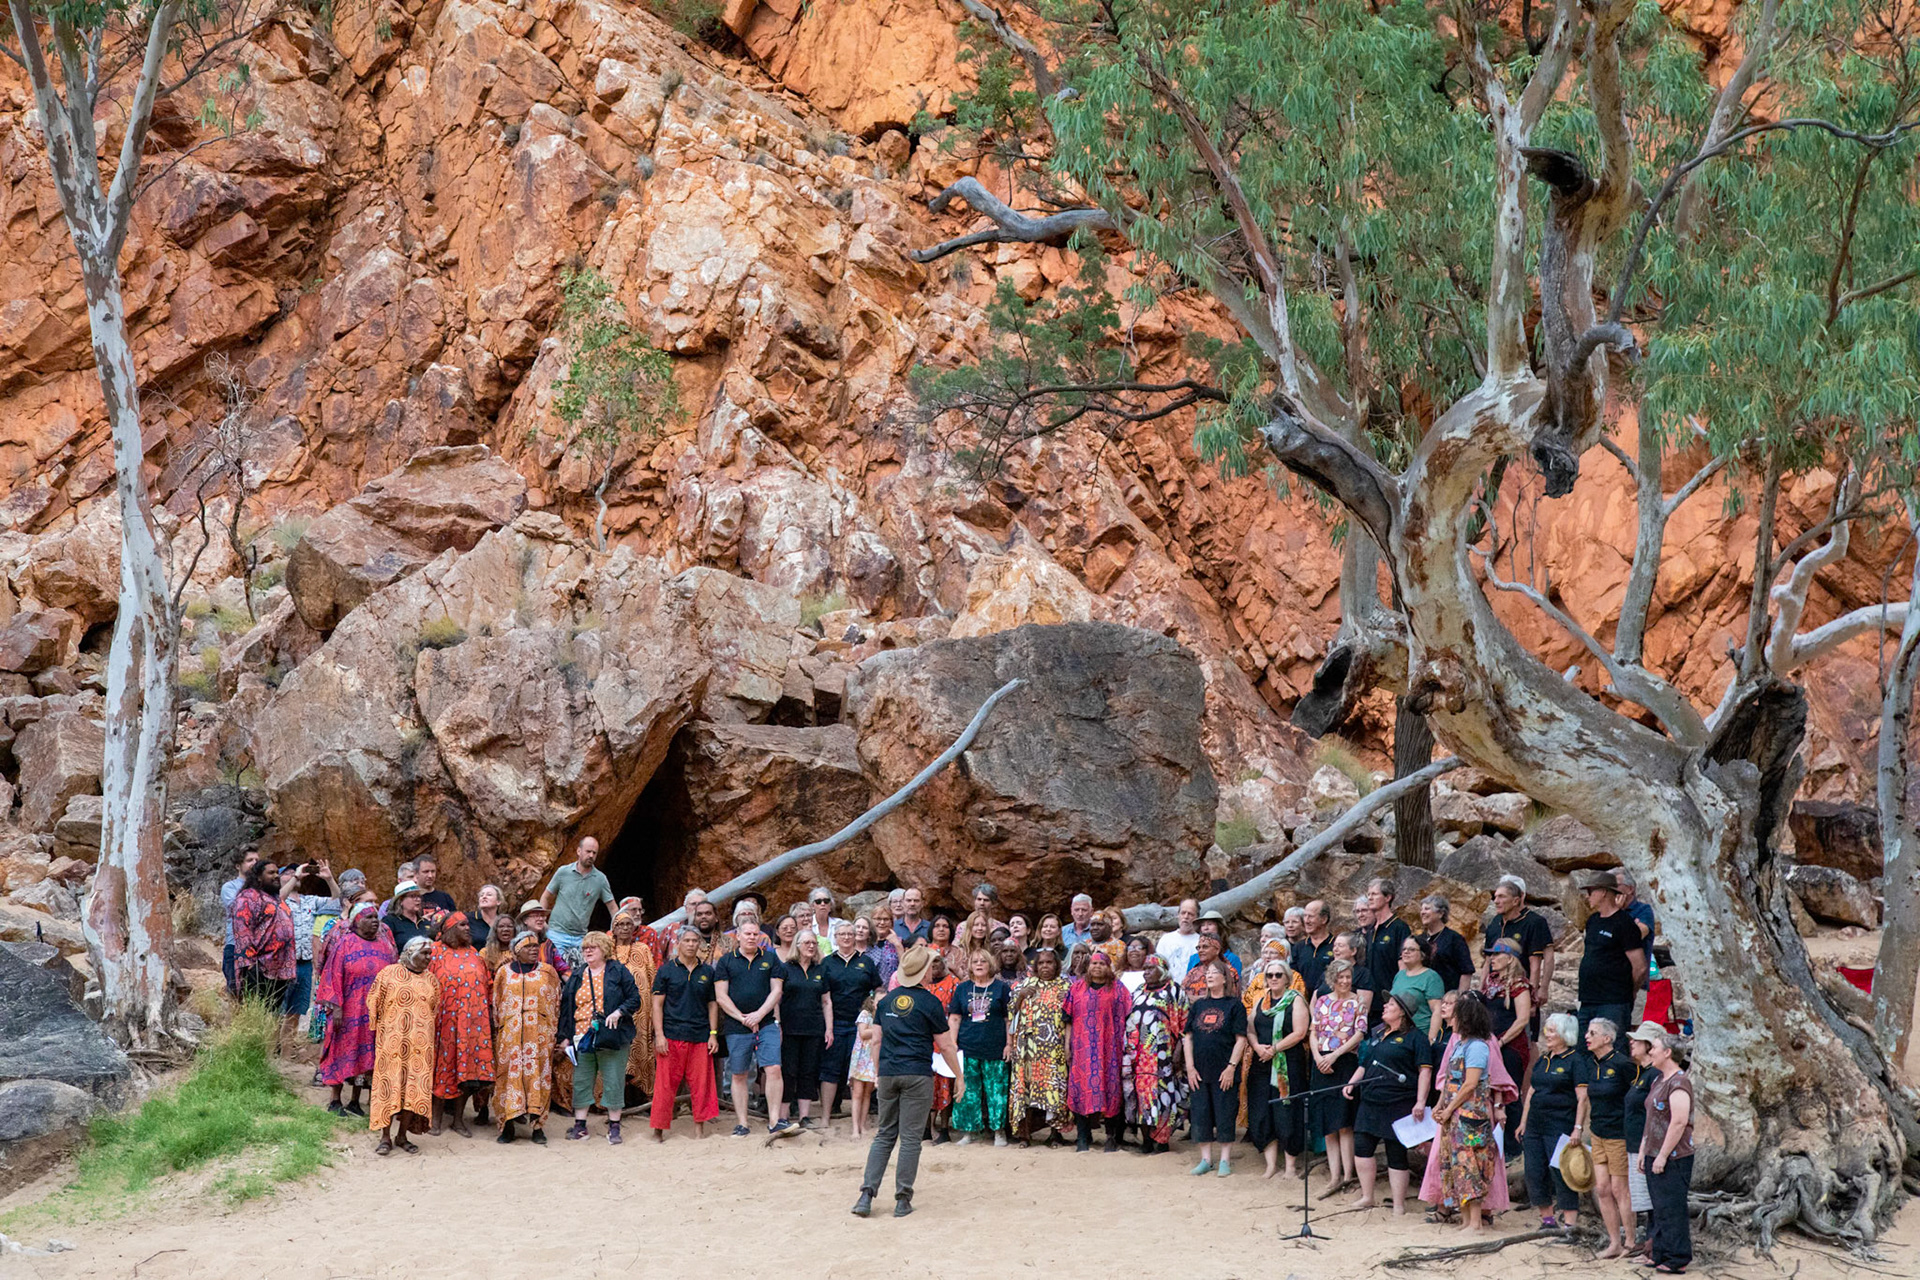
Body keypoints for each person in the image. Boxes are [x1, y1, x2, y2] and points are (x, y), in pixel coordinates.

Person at [852, 944, 964, 1219]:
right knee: (911, 1138)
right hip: (917, 1073)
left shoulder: (887, 1001)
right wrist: (959, 1076)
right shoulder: (930, 1002)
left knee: (884, 1134)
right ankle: (902, 1199)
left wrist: (879, 1073)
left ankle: (866, 1194)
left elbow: (876, 1040)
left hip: (889, 1071)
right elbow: (946, 1045)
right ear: (925, 972)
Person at [1343, 992, 1433, 1215]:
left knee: (1396, 1153)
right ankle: (1367, 1196)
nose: (1384, 1006)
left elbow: (1424, 1071)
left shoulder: (1416, 1038)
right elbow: (1365, 1064)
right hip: (1370, 1101)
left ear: (1402, 1012)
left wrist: (1420, 1101)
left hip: (1399, 1102)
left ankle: (1399, 1204)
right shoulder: (1378, 1033)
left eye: (1391, 1004)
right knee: (1362, 1147)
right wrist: (1352, 1083)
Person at [1427, 994, 1504, 1231]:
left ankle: (1475, 1222)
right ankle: (1464, 1219)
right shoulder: (1459, 1045)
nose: (1450, 1018)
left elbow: (1470, 1084)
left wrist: (1449, 1108)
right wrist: (1440, 1105)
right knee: (1454, 1164)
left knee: (1471, 1164)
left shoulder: (1479, 1046)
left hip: (1470, 1117)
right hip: (1454, 1115)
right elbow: (1450, 1079)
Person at [558, 930, 643, 1144]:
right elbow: (567, 1008)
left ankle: (614, 1126)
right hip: (583, 1036)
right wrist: (565, 1036)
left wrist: (619, 1011)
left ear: (603, 950)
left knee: (613, 1080)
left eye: (592, 948)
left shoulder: (618, 971)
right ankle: (580, 1125)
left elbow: (635, 998)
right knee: (582, 1080)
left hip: (613, 1035)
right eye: (585, 948)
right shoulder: (578, 975)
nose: (587, 951)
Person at [714, 921, 794, 1138]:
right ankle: (742, 1123)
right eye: (747, 934)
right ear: (737, 936)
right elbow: (721, 996)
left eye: (755, 934)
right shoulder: (726, 961)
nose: (751, 937)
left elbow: (776, 991)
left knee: (773, 1068)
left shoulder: (770, 958)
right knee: (739, 1073)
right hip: (736, 1026)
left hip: (767, 1023)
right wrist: (743, 1018)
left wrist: (759, 1014)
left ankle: (775, 1121)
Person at [316, 902, 395, 1115]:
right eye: (369, 917)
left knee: (367, 1056)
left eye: (376, 917)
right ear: (357, 921)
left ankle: (355, 1100)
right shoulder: (345, 943)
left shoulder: (384, 945)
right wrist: (336, 1008)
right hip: (348, 1010)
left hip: (374, 1013)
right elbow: (331, 976)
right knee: (342, 1052)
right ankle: (334, 1100)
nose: (374, 921)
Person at [368, 936, 439, 1154]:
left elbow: (434, 1009)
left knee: (414, 1089)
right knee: (389, 1088)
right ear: (409, 952)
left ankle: (402, 1136)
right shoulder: (388, 974)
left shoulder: (432, 981)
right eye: (424, 953)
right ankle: (385, 1137)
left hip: (421, 1046)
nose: (429, 958)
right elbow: (373, 1002)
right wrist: (383, 1031)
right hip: (392, 1044)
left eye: (430, 954)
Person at [649, 925, 720, 1141]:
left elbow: (713, 1005)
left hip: (700, 1035)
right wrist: (659, 1035)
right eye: (687, 940)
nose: (691, 944)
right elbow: (657, 1005)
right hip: (671, 1036)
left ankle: (699, 1130)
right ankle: (658, 1130)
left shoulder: (708, 972)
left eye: (695, 941)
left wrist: (713, 1034)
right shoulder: (666, 970)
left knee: (702, 1086)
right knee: (665, 1086)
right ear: (678, 943)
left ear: (700, 944)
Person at [427, 914, 494, 1137]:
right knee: (442, 1069)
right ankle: (435, 1119)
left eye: (468, 924)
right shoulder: (434, 951)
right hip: (443, 1024)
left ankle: (458, 1120)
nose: (468, 928)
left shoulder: (475, 954)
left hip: (473, 1026)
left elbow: (489, 985)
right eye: (462, 925)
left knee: (467, 1073)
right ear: (448, 929)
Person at [1579, 1018, 1639, 1257]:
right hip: (1597, 1132)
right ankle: (1614, 1242)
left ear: (1607, 1039)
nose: (1587, 1036)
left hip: (1618, 1134)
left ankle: (1631, 1241)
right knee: (1602, 1189)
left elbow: (1637, 1097)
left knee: (1619, 1188)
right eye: (1587, 1032)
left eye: (1592, 1033)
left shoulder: (1623, 1064)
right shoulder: (1591, 1064)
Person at [493, 930, 560, 1144]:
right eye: (528, 947)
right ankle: (508, 1126)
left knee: (539, 1079)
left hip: (539, 1037)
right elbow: (496, 1002)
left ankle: (538, 1126)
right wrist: (502, 1029)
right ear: (516, 951)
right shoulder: (504, 973)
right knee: (508, 1079)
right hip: (510, 1037)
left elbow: (557, 1002)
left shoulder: (548, 972)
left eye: (535, 946)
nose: (533, 950)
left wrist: (552, 1032)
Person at [1518, 1011, 1583, 1229]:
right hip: (1536, 1124)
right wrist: (1524, 1122)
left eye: (1552, 1030)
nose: (1547, 1034)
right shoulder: (1544, 1059)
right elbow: (1531, 1092)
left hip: (1560, 1124)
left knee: (1561, 1171)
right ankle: (1547, 1219)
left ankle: (1570, 1223)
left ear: (1565, 1034)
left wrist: (1578, 1128)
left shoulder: (1575, 1061)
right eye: (1546, 1030)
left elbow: (1582, 1099)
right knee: (1534, 1171)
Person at [1064, 948, 1132, 1152]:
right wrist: (1067, 1046)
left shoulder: (1119, 990)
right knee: (1080, 1090)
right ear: (1088, 966)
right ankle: (1083, 1137)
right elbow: (1067, 1019)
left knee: (1111, 1090)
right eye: (1094, 963)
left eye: (1102, 963)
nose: (1097, 966)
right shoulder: (1076, 989)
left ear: (1109, 967)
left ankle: (1111, 1137)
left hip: (1110, 1049)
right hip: (1082, 1049)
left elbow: (1129, 1018)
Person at [1248, 955, 1310, 1179]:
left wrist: (1274, 1049)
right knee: (1262, 1112)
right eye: (1269, 975)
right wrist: (1257, 1047)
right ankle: (1271, 1165)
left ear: (1287, 978)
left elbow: (1300, 1032)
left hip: (1287, 1065)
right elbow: (1250, 1029)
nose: (1273, 979)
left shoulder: (1295, 1000)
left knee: (1287, 1112)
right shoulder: (1261, 1001)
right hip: (1261, 1064)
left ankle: (1291, 1166)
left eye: (1278, 975)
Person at [1184, 957, 1247, 1176]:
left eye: (1214, 972)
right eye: (1207, 973)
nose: (1209, 975)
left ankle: (1225, 1160)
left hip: (1224, 1070)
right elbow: (1188, 1037)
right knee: (1201, 1114)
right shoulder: (1199, 1005)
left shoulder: (1235, 1005)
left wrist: (1231, 1067)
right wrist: (1189, 1067)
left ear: (1224, 977)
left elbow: (1241, 1039)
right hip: (1199, 1070)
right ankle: (1206, 1159)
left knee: (1225, 1113)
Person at [1638, 1027, 1694, 1273]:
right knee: (1659, 1206)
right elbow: (1651, 1119)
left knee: (1672, 1206)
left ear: (1668, 1052)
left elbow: (1679, 1121)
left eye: (1655, 1048)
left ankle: (1677, 1257)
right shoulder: (1659, 1079)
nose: (1651, 1052)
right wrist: (1644, 1150)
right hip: (1654, 1152)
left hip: (1673, 1156)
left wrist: (1662, 1155)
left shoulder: (1679, 1082)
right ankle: (1659, 1251)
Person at [1310, 958, 1366, 1197]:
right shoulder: (1322, 1001)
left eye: (1348, 977)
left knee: (1344, 1122)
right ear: (1332, 979)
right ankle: (1334, 1175)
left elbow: (1360, 1034)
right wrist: (1317, 1057)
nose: (1345, 981)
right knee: (1328, 1124)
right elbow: (1313, 1032)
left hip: (1344, 1062)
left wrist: (1334, 1055)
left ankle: (1347, 1175)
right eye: (1340, 977)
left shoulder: (1357, 1002)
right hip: (1321, 1063)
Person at [1122, 956, 1188, 1155]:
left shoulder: (1174, 991)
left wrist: (1178, 1052)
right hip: (1139, 1057)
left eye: (1151, 968)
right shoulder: (1138, 992)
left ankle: (1162, 1140)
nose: (1146, 972)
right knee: (1142, 1097)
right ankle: (1146, 1140)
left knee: (1164, 1096)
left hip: (1163, 1057)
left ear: (1163, 969)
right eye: (1145, 969)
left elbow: (1184, 1023)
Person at [1008, 947, 1072, 1146]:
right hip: (1028, 1049)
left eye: (1049, 962)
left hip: (1054, 1049)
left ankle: (1055, 1134)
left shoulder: (1065, 986)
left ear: (1057, 965)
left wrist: (1068, 1002)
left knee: (1054, 1090)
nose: (1045, 966)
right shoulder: (1026, 984)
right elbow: (1010, 1014)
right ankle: (1025, 1135)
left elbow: (1073, 1015)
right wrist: (1020, 997)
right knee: (1026, 1090)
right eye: (1041, 963)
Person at [948, 950, 1013, 1145]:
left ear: (990, 963)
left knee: (996, 1091)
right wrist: (952, 1043)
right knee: (968, 1091)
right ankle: (969, 1131)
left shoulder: (1001, 988)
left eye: (983, 960)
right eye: (975, 961)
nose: (979, 964)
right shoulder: (962, 989)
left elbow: (1008, 1019)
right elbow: (955, 1017)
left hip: (995, 1046)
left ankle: (999, 1131)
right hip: (967, 1047)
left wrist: (1009, 1043)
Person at [819, 920, 880, 1128]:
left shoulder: (867, 962)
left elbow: (877, 991)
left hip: (860, 1025)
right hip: (835, 1023)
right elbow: (823, 997)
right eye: (842, 934)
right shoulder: (827, 963)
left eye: (850, 934)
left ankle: (859, 1121)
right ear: (835, 938)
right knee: (830, 1070)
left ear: (855, 937)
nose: (846, 937)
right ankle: (826, 1117)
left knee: (859, 1072)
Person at [1577, 871, 1646, 1048]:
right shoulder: (1593, 921)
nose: (1588, 897)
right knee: (1584, 1047)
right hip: (1588, 998)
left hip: (1613, 1000)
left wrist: (1629, 991)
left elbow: (1639, 966)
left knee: (1612, 1047)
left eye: (1591, 891)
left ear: (1604, 892)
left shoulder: (1624, 923)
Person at [231, 857, 298, 1031]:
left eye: (277, 872)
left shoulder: (275, 898)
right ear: (259, 877)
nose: (276, 876)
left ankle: (269, 1053)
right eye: (271, 873)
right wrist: (250, 966)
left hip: (281, 970)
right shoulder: (247, 898)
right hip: (259, 969)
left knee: (273, 1014)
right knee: (256, 1015)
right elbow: (242, 933)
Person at [778, 929, 833, 1128]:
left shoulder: (820, 970)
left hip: (814, 1029)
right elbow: (777, 999)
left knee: (808, 1071)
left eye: (814, 943)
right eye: (807, 942)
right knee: (788, 1071)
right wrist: (778, 1025)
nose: (811, 946)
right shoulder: (785, 968)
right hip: (789, 1028)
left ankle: (804, 1117)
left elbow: (826, 1001)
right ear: (797, 945)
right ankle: (783, 1117)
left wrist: (829, 1029)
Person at [1484, 874, 1555, 1023]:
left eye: (1501, 897)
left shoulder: (1534, 922)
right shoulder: (1495, 922)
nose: (1496, 901)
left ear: (1518, 899)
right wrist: (1481, 990)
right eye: (1495, 897)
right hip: (1495, 993)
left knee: (1526, 1040)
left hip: (1519, 992)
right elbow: (1487, 961)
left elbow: (1536, 964)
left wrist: (1534, 996)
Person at [609, 905, 659, 1106]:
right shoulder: (607, 951)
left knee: (640, 1051)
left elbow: (652, 979)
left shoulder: (643, 949)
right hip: (613, 1012)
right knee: (615, 1053)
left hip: (640, 1013)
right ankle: (613, 1100)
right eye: (621, 924)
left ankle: (642, 1097)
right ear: (613, 928)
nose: (625, 928)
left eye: (629, 924)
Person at [539, 837, 616, 964]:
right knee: (553, 972)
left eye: (594, 853)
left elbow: (612, 907)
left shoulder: (600, 879)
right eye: (588, 851)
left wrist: (615, 931)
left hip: (581, 938)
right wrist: (542, 922)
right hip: (556, 934)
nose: (591, 855)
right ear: (579, 851)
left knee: (581, 975)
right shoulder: (563, 872)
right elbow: (546, 896)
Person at [1622, 1023, 1660, 1256]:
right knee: (1644, 1199)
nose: (1631, 1043)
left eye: (1637, 1040)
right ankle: (1649, 1244)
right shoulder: (1643, 1074)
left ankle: (1653, 1246)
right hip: (1635, 1144)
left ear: (1649, 1045)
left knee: (1652, 1198)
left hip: (1647, 1146)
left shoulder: (1655, 1075)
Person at [1358, 878, 1412, 1030]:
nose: (1370, 898)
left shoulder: (1399, 928)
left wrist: (1396, 999)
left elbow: (1403, 966)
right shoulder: (1369, 930)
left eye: (1374, 894)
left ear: (1388, 897)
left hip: (1388, 1001)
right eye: (1368, 894)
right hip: (1368, 1002)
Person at [1482, 938, 1535, 1085]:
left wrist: (1501, 1042)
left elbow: (1523, 1019)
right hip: (1489, 1043)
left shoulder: (1520, 985)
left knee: (1509, 1093)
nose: (1492, 958)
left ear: (1510, 958)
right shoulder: (1490, 981)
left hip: (1510, 1046)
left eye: (1497, 954)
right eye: (1491, 955)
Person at [220, 850, 260, 996]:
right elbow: (239, 910)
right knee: (236, 993)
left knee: (260, 995)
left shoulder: (264, 888)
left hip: (260, 948)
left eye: (257, 859)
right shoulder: (229, 887)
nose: (255, 863)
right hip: (235, 946)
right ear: (238, 865)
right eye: (250, 860)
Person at [1390, 934, 1447, 1037]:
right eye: (1404, 949)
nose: (1406, 952)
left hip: (1420, 1034)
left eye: (1411, 949)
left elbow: (1437, 1011)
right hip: (1397, 1034)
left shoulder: (1431, 977)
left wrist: (1431, 1039)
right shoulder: (1399, 975)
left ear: (1423, 955)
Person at [1419, 895, 1474, 993]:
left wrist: (1458, 998)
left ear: (1440, 913)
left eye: (1427, 909)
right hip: (1422, 996)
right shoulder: (1420, 939)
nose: (1422, 912)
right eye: (1421, 909)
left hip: (1446, 997)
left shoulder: (1454, 938)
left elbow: (1466, 971)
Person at [849, 992, 880, 1138]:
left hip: (874, 1057)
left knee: (867, 1093)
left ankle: (863, 1124)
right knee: (857, 1093)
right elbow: (863, 1033)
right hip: (861, 1057)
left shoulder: (882, 1016)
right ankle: (855, 1128)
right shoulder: (865, 1014)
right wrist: (880, 1028)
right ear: (872, 1000)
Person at [1291, 899, 1335, 995]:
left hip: (1328, 1002)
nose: (1306, 921)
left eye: (1310, 916)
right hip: (1303, 1001)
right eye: (1305, 916)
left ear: (1324, 919)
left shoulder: (1336, 945)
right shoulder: (1299, 947)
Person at [1155, 897, 1202, 978]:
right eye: (1183, 913)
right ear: (1178, 915)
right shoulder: (1166, 939)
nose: (1186, 917)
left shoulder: (1202, 941)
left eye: (1190, 914)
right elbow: (1158, 967)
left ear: (1197, 918)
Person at [386, 881, 429, 954]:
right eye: (412, 896)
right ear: (400, 901)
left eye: (418, 896)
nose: (418, 899)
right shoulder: (390, 921)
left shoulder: (425, 922)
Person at [411, 854, 458, 921]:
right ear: (416, 873)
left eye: (433, 871)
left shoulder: (445, 897)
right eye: (426, 872)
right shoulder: (410, 899)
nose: (430, 875)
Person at [1616, 869, 1656, 944]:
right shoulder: (1608, 911)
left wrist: (1617, 914)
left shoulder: (1643, 910)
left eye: (1616, 885)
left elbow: (1634, 937)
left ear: (1630, 889)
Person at [863, 906, 900, 985]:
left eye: (886, 919)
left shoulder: (899, 942)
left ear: (891, 922)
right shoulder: (865, 942)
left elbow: (906, 966)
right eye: (878, 919)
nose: (882, 922)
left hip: (892, 990)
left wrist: (898, 945)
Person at [470, 883, 508, 951]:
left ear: (498, 901)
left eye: (489, 895)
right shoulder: (468, 919)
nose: (484, 897)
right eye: (481, 895)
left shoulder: (504, 922)